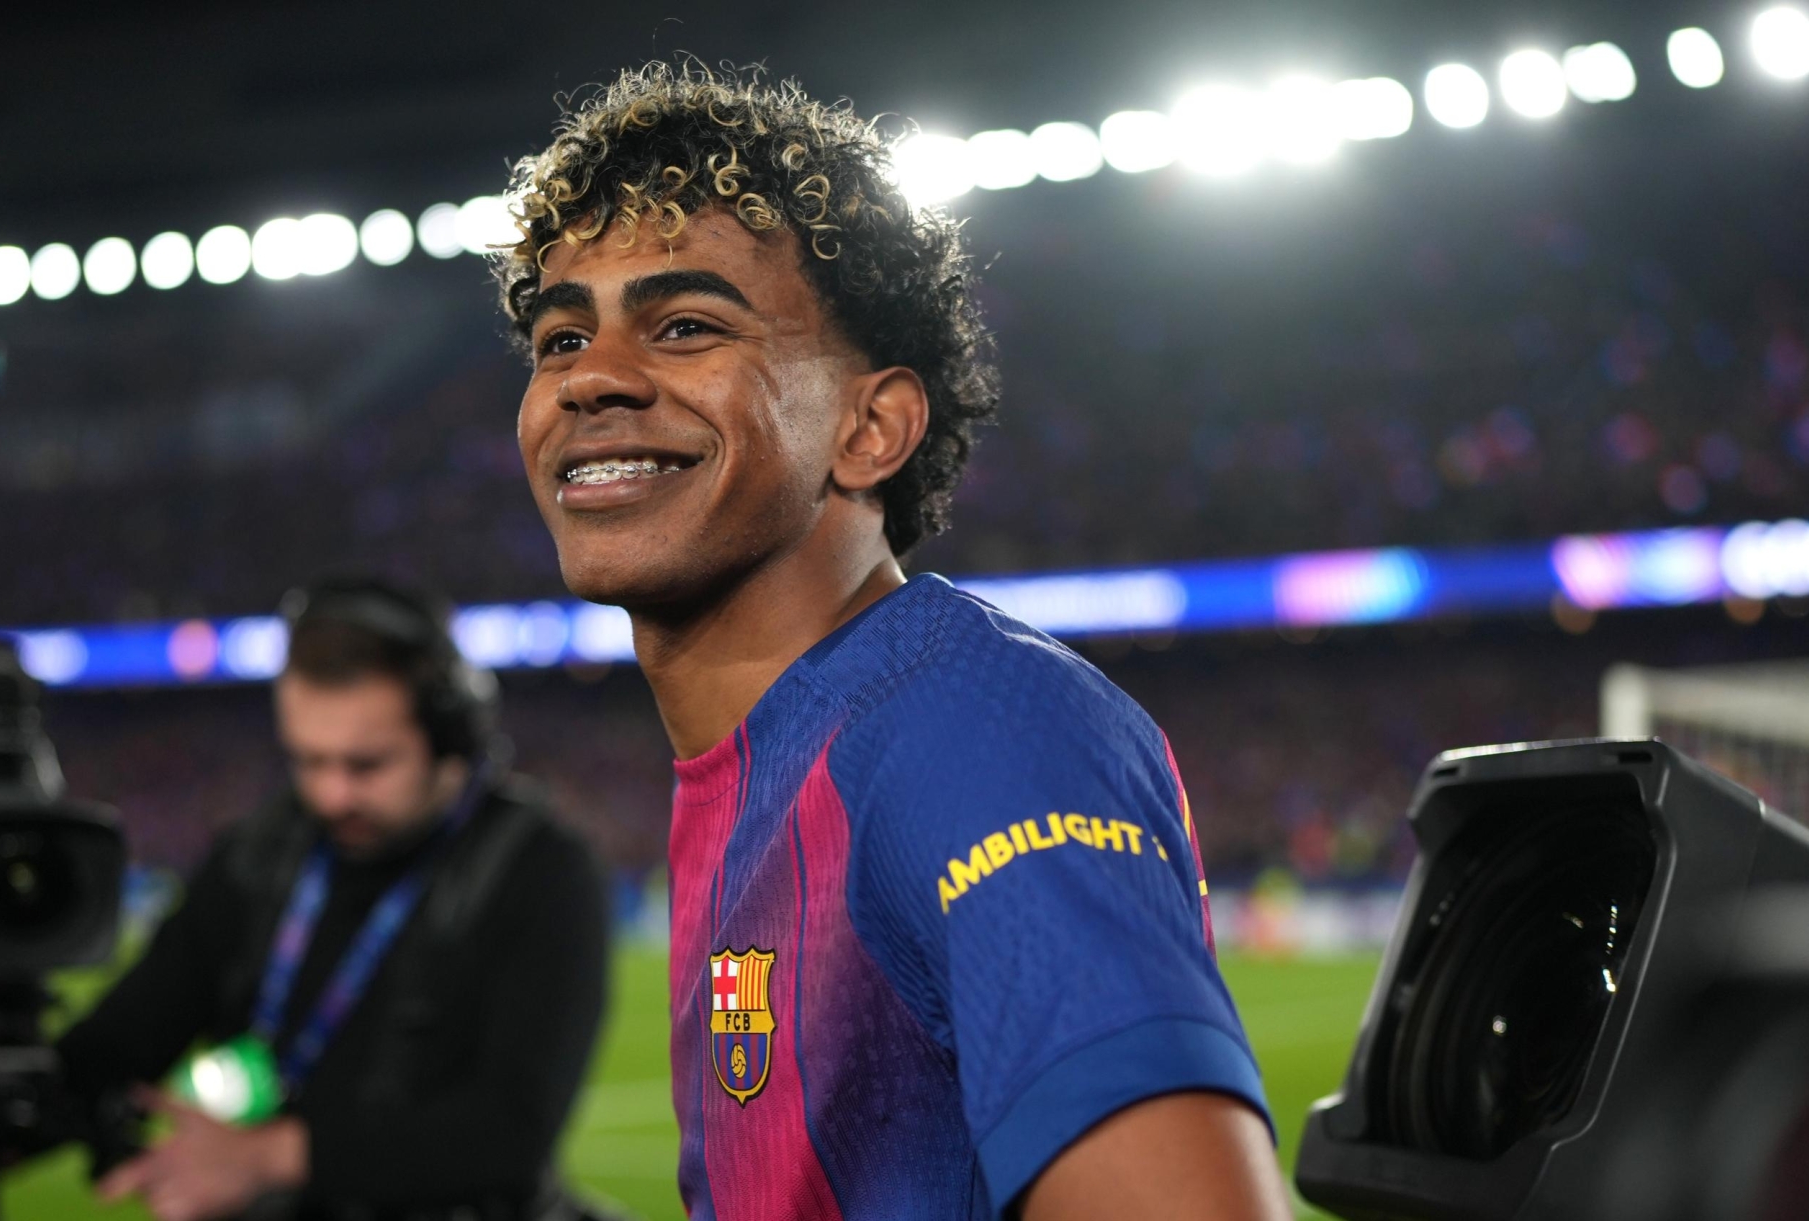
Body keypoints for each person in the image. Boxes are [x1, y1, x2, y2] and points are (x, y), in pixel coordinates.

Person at [493, 65, 1291, 1219]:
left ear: (870, 429)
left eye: (684, 325)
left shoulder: (968, 737)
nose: (594, 379)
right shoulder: (763, 753)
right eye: (560, 337)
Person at [0, 577, 611, 1221]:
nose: (333, 793)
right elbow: (120, 1044)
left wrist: (268, 1157)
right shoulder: (260, 853)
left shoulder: (543, 871)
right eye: (309, 760)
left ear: (452, 736)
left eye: (367, 764)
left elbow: (508, 1129)